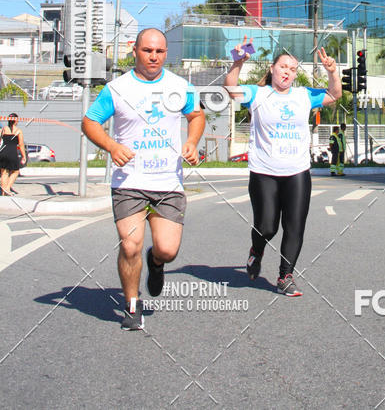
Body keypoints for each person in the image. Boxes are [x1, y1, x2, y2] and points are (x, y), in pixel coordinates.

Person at [82, 28, 205, 330]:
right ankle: (132, 305)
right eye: (148, 50)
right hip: (129, 182)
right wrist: (112, 146)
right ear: (135, 50)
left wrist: (192, 142)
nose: (153, 56)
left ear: (166, 53)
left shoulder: (180, 86)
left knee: (167, 250)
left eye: (159, 51)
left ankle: (156, 262)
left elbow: (197, 116)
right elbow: (90, 121)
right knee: (130, 245)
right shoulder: (117, 88)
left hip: (168, 183)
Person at [225, 37, 341, 297]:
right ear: (272, 69)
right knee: (267, 227)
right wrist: (237, 63)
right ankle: (256, 250)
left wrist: (333, 72)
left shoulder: (303, 95)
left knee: (294, 226)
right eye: (283, 67)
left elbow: (335, 95)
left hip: (297, 172)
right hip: (264, 172)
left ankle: (285, 276)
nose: (287, 72)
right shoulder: (258, 94)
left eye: (293, 69)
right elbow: (231, 89)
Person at [0, 112, 26, 196]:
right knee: (15, 171)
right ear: (15, 121)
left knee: (4, 172)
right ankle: (7, 188)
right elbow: (21, 144)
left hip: (3, 151)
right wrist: (24, 156)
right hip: (12, 152)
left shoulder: (3, 129)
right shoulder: (18, 131)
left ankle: (3, 192)